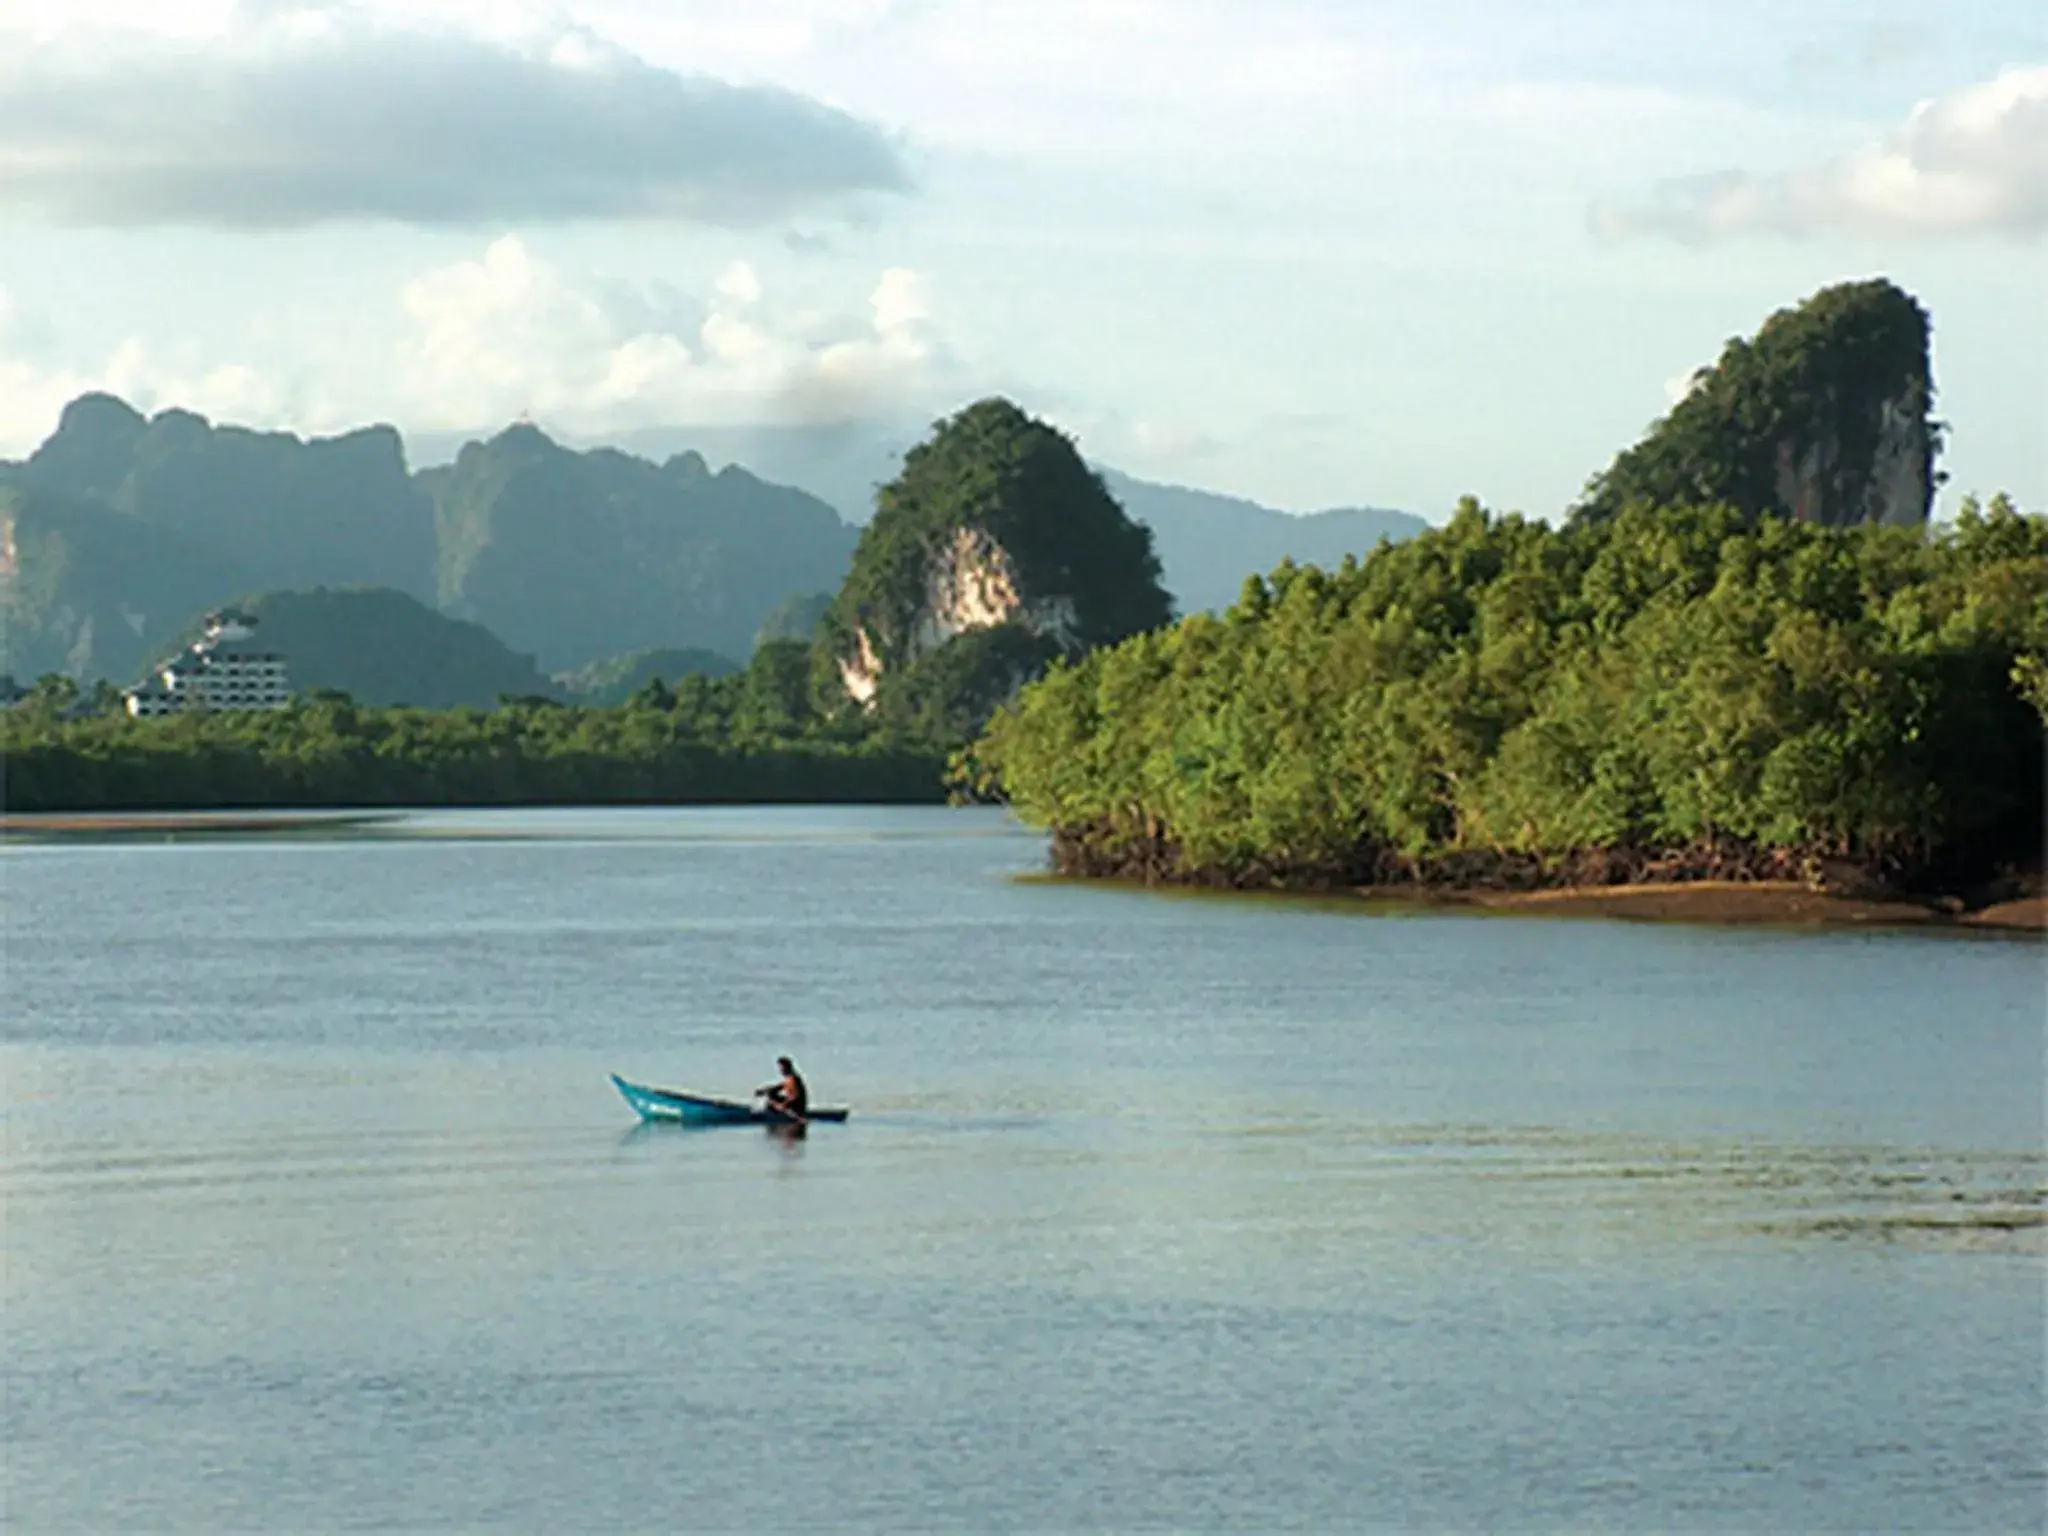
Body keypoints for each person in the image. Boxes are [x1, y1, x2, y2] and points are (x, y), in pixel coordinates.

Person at [755, 1055, 808, 1120]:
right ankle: (773, 1114)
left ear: (787, 1068)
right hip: (791, 1107)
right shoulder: (789, 1079)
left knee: (770, 1101)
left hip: (796, 1110)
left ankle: (773, 1116)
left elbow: (795, 1096)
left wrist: (782, 1105)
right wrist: (762, 1091)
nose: (780, 1070)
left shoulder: (793, 1079)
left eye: (781, 1068)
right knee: (771, 1093)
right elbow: (776, 1088)